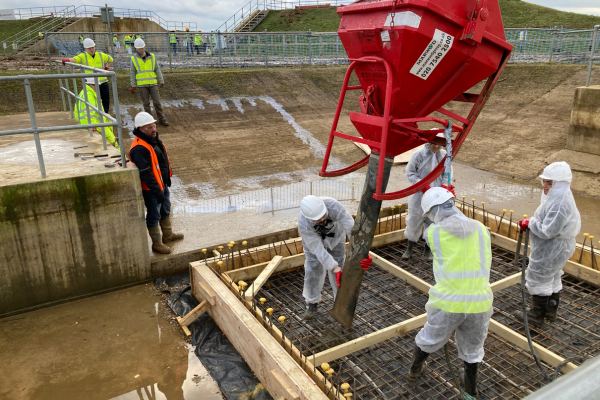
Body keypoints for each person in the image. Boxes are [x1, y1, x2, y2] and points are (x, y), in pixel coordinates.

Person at [407, 187, 493, 399]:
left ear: (433, 211)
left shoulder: (433, 233)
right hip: (479, 302)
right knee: (473, 350)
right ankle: (470, 389)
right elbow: (462, 230)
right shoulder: (482, 228)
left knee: (429, 337)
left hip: (448, 303)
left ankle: (415, 370)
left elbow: (441, 230)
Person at [515, 162, 581, 328]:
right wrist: (533, 222)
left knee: (538, 277)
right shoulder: (558, 196)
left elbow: (548, 231)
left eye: (549, 183)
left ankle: (536, 317)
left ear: (560, 184)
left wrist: (530, 223)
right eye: (544, 181)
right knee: (552, 275)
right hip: (557, 246)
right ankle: (550, 312)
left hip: (552, 246)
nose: (544, 185)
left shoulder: (560, 203)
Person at [298, 195, 372, 320]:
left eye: (323, 215)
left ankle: (340, 301)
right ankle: (312, 302)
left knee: (340, 264)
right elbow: (318, 250)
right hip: (313, 243)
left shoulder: (333, 206)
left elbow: (351, 228)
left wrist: (363, 252)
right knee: (313, 268)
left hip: (336, 236)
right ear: (309, 218)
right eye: (317, 219)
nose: (322, 219)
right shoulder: (304, 224)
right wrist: (334, 267)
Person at [129, 111, 183, 254]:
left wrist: (166, 179)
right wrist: (156, 190)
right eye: (149, 127)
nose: (153, 129)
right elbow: (146, 172)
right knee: (154, 214)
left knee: (165, 209)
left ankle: (168, 235)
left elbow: (161, 162)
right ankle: (157, 244)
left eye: (154, 126)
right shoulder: (139, 148)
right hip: (151, 189)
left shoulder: (153, 140)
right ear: (140, 129)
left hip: (162, 184)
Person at [402, 137, 450, 261]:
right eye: (434, 145)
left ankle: (427, 250)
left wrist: (445, 186)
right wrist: (421, 184)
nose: (437, 148)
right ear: (429, 143)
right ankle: (409, 248)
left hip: (436, 195)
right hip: (419, 194)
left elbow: (447, 173)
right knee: (414, 219)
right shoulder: (418, 155)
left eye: (439, 146)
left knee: (433, 222)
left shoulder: (444, 155)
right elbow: (410, 172)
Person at [62, 38, 113, 113]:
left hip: (103, 82)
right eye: (89, 48)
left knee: (105, 101)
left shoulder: (101, 55)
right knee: (93, 101)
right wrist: (68, 60)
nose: (92, 49)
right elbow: (76, 59)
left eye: (93, 47)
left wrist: (105, 69)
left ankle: (104, 116)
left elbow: (111, 60)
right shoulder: (83, 56)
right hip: (91, 84)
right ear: (85, 48)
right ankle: (96, 117)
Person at [130, 39, 169, 127]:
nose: (141, 49)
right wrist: (133, 84)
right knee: (146, 104)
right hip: (142, 85)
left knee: (157, 102)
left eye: (142, 47)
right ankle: (150, 121)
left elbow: (157, 69)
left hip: (153, 84)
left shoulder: (152, 57)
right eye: (139, 48)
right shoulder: (134, 59)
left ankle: (162, 119)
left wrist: (161, 80)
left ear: (145, 46)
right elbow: (132, 72)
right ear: (136, 48)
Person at [75, 77, 119, 150]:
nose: (97, 87)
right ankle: (121, 156)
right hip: (96, 123)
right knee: (112, 139)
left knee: (110, 124)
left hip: (91, 121)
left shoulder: (85, 92)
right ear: (91, 84)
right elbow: (89, 111)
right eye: (96, 85)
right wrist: (93, 123)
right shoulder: (89, 94)